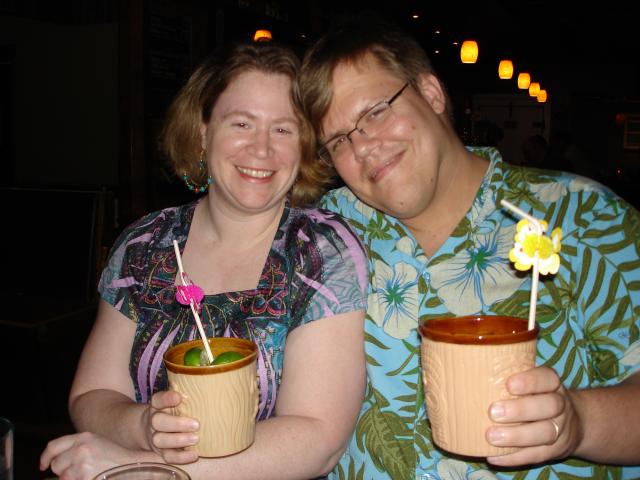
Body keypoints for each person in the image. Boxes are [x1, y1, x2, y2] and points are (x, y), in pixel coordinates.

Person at [297, 18, 640, 480]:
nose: (363, 147)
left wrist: (578, 423)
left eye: (375, 112)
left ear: (432, 94)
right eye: (339, 140)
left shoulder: (583, 214)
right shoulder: (324, 235)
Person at [40, 41, 367, 480]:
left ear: (305, 146)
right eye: (242, 123)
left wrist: (149, 470)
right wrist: (143, 426)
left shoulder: (321, 251)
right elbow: (92, 394)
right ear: (203, 131)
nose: (262, 149)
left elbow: (318, 440)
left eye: (283, 129)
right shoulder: (143, 245)